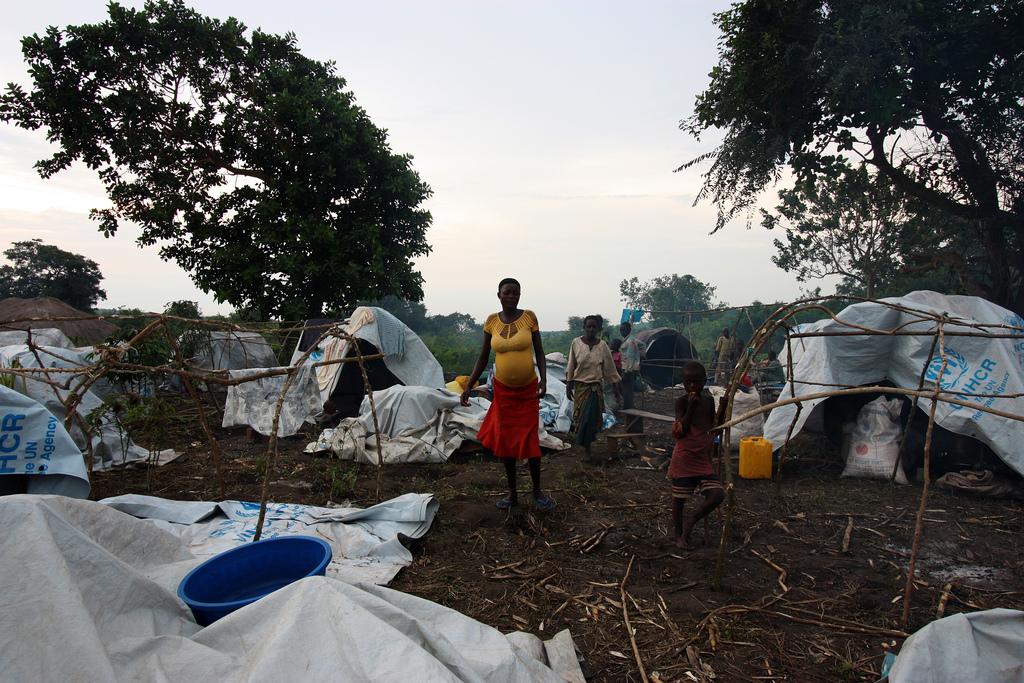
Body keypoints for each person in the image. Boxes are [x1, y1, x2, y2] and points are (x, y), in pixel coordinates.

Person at [461, 278, 553, 511]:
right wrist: (469, 385)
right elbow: (483, 357)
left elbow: (540, 352)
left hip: (527, 391)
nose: (512, 296)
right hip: (503, 392)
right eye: (507, 293)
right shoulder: (491, 322)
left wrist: (544, 380)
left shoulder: (529, 317)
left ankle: (537, 493)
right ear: (499, 295)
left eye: (516, 293)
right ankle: (512, 495)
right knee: (506, 443)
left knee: (531, 439)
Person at [669, 361, 725, 550]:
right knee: (679, 500)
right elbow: (680, 431)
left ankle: (691, 522)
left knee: (717, 494)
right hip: (684, 458)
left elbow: (716, 427)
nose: (692, 386)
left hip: (702, 458)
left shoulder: (708, 401)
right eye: (688, 382)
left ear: (704, 381)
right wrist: (691, 409)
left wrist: (724, 407)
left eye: (696, 382)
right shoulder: (682, 402)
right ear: (683, 383)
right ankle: (679, 536)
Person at [565, 315, 622, 459]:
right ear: (584, 328)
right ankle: (584, 446)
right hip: (580, 387)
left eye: (594, 327)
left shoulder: (602, 346)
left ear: (598, 329)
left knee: (591, 419)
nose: (591, 329)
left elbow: (610, 369)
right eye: (588, 326)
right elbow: (571, 365)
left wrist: (616, 388)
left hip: (595, 388)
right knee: (581, 418)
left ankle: (587, 448)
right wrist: (568, 384)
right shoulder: (576, 343)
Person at [618, 321, 646, 434]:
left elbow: (630, 357)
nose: (622, 331)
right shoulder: (631, 340)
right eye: (621, 329)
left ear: (629, 329)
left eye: (624, 329)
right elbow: (642, 345)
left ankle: (629, 412)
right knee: (627, 392)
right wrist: (642, 356)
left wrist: (627, 370)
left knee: (627, 392)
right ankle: (629, 411)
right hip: (628, 369)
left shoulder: (630, 342)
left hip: (628, 370)